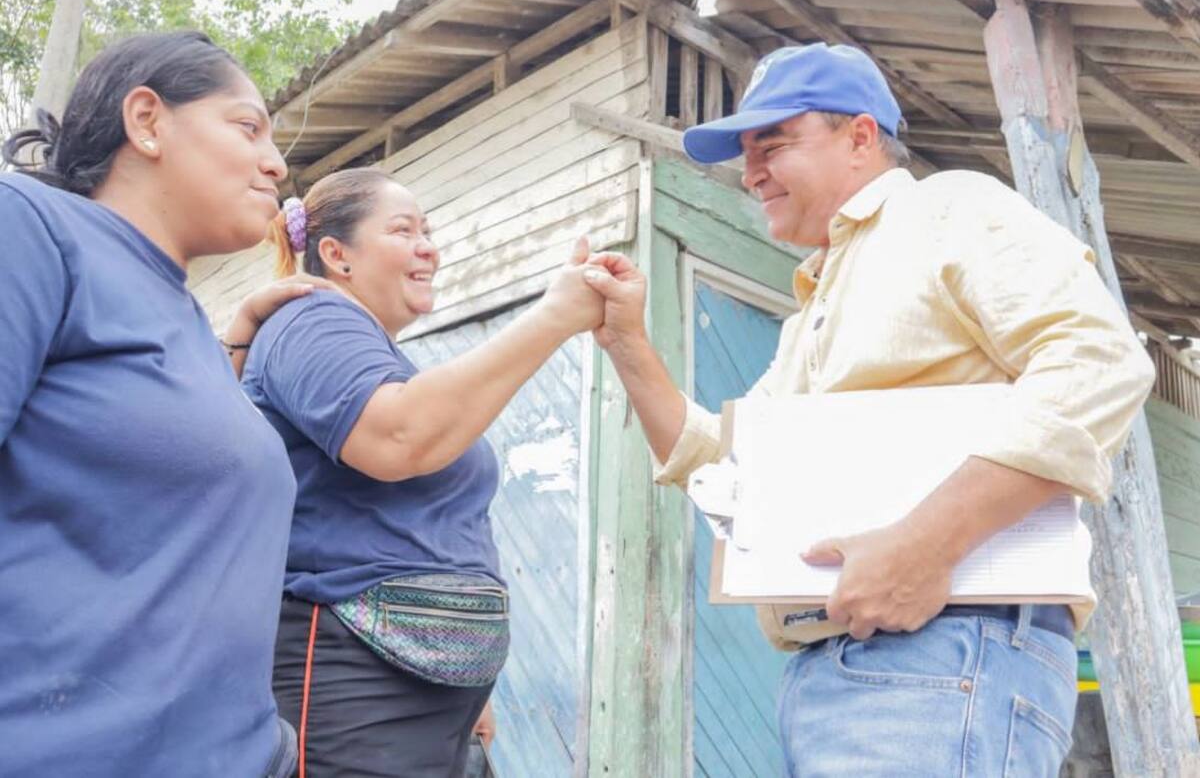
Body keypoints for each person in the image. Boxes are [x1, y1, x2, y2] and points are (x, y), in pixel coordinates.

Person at [580, 42, 1156, 776]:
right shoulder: (811, 315)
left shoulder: (949, 208)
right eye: (745, 153)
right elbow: (724, 471)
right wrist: (627, 342)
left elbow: (1099, 360)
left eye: (775, 144)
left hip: (948, 651)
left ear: (858, 137)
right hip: (838, 670)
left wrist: (927, 543)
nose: (751, 172)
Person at [0, 31, 328, 776]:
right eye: (248, 127)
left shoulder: (185, 319)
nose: (277, 163)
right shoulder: (30, 227)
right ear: (146, 120)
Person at [241, 167, 604, 777]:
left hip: (425, 691)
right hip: (356, 678)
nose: (428, 246)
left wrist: (468, 682)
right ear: (336, 255)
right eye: (403, 230)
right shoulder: (314, 319)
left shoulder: (383, 355)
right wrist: (553, 317)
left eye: (429, 230)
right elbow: (398, 437)